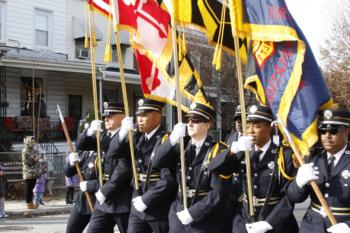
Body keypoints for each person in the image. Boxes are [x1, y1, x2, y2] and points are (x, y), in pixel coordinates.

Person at [209, 104, 299, 233]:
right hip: (244, 221)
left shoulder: (284, 155)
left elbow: (288, 198)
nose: (250, 130)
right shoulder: (243, 152)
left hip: (276, 224)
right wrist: (232, 152)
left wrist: (269, 223)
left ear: (270, 127)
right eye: (248, 125)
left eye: (256, 126)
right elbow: (215, 168)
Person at [153, 102, 231, 233]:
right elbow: (157, 162)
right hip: (178, 216)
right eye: (188, 120)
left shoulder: (218, 151)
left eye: (195, 121)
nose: (189, 124)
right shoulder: (181, 146)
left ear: (208, 124)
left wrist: (193, 213)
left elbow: (219, 192)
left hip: (205, 220)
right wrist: (172, 139)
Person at [287, 108, 350, 233]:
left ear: (347, 131)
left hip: (342, 226)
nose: (327, 136)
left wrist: (348, 226)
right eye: (322, 131)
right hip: (312, 226)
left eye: (333, 130)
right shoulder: (313, 157)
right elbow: (294, 198)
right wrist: (299, 183)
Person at [121, 99, 177, 233]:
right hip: (137, 207)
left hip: (158, 209)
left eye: (144, 115)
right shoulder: (137, 138)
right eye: (138, 115)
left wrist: (146, 200)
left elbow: (167, 180)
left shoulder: (166, 140)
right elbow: (114, 153)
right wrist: (122, 132)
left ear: (158, 115)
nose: (139, 119)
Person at [75, 102, 132, 233]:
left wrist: (105, 191)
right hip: (104, 202)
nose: (106, 119)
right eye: (105, 116)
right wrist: (89, 132)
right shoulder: (105, 136)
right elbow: (80, 145)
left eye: (111, 116)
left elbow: (124, 169)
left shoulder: (128, 136)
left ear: (123, 116)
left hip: (122, 200)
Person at [65, 150, 98, 233]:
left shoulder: (103, 151)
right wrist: (70, 164)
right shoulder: (82, 153)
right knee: (71, 229)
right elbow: (68, 173)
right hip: (82, 199)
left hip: (98, 200)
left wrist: (90, 185)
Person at [22, 136, 42, 209]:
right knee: (29, 188)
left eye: (34, 141)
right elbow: (26, 162)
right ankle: (28, 203)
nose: (34, 143)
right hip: (29, 173)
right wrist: (35, 159)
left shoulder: (34, 150)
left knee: (32, 187)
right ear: (28, 142)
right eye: (32, 141)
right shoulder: (25, 150)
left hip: (34, 173)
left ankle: (31, 202)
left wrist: (39, 157)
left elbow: (37, 156)